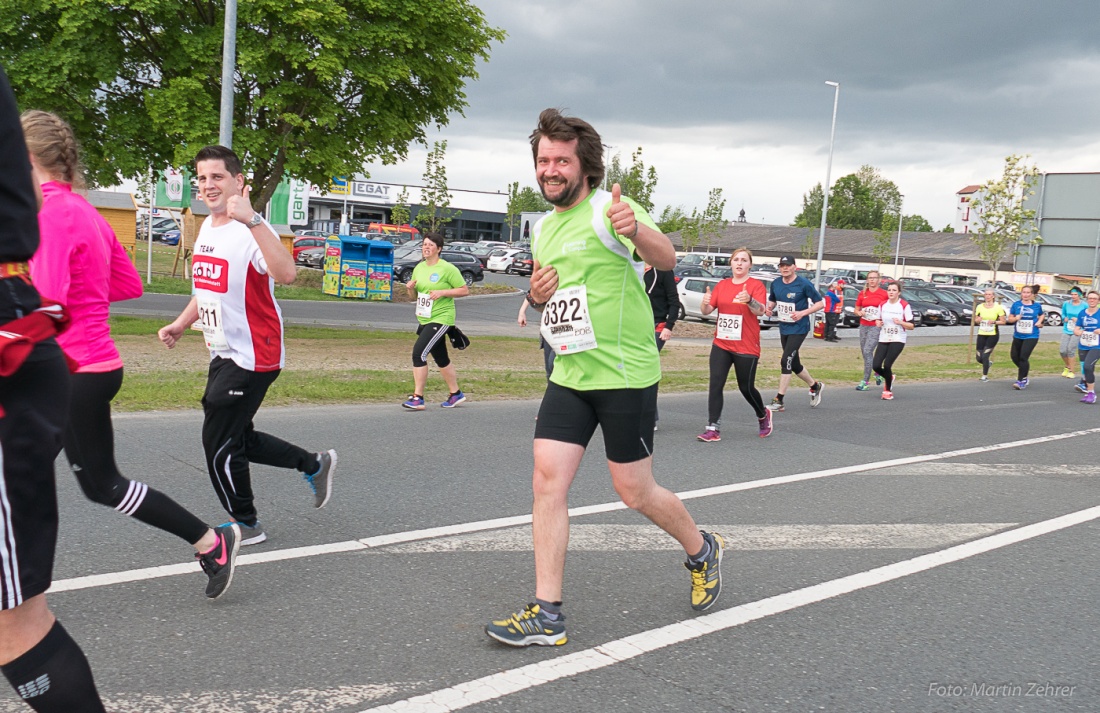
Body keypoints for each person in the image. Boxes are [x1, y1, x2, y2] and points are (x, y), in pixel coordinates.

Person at [485, 109, 723, 648]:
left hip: (624, 373)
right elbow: (553, 295)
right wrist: (536, 296)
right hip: (569, 372)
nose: (550, 170)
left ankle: (702, 549)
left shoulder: (607, 209)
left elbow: (664, 257)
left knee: (634, 491)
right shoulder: (544, 228)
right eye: (544, 160)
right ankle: (548, 613)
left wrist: (635, 228)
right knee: (547, 482)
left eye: (561, 161)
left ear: (583, 166)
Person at [23, 111, 240, 598]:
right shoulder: (86, 213)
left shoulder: (50, 214)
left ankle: (20, 600)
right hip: (93, 367)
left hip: (67, 371)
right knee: (100, 485)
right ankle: (212, 541)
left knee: (16, 482)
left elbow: (45, 303)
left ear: (27, 157)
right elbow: (126, 283)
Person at [158, 145, 337, 546]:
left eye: (217, 177)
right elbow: (207, 289)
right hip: (222, 351)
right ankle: (313, 463)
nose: (208, 185)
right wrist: (181, 323)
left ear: (239, 182)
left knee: (217, 440)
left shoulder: (252, 230)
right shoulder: (208, 227)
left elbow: (287, 274)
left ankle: (247, 522)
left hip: (256, 353)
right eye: (202, 178)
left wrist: (254, 220)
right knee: (236, 436)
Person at [0, 65, 108, 712]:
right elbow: (116, 281)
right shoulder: (80, 213)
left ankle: (215, 540)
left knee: (12, 618)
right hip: (67, 353)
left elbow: (68, 294)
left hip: (53, 355)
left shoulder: (65, 214)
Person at [697, 247, 772, 441]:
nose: (739, 263)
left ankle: (762, 414)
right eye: (736, 259)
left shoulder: (756, 286)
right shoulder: (722, 285)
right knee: (715, 384)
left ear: (750, 265)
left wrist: (749, 300)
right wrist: (704, 302)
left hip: (746, 345)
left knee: (745, 387)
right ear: (731, 263)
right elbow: (707, 311)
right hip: (722, 343)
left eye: (744, 260)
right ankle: (713, 428)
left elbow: (760, 311)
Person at [401, 232, 470, 409]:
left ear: (438, 249)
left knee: (419, 353)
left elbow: (464, 290)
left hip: (442, 318)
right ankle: (456, 394)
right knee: (441, 358)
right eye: (424, 244)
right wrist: (410, 289)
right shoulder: (419, 268)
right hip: (425, 318)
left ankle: (418, 398)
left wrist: (442, 292)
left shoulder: (447, 269)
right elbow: (415, 296)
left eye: (431, 245)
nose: (426, 247)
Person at [764, 255, 825, 411]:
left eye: (787, 265)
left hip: (799, 327)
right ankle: (815, 386)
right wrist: (769, 308)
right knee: (794, 364)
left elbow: (820, 304)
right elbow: (773, 299)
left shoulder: (803, 284)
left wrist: (803, 313)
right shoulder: (776, 283)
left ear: (794, 267)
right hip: (784, 326)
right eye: (782, 265)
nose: (784, 268)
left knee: (785, 361)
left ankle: (779, 400)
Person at [872, 283, 914, 400]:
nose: (891, 292)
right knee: (875, 365)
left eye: (894, 290)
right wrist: (878, 323)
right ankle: (889, 377)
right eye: (889, 290)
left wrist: (901, 322)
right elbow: (878, 319)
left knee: (887, 365)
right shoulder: (883, 305)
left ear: (898, 293)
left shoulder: (904, 305)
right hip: (884, 337)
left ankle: (887, 391)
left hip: (898, 338)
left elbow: (911, 326)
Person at [1006, 284, 1045, 390]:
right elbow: (1010, 319)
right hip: (1018, 335)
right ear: (1021, 294)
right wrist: (1016, 318)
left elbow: (1041, 315)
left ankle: (1021, 380)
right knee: (1014, 356)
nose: (1026, 294)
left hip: (1032, 335)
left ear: (1032, 295)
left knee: (1023, 357)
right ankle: (1024, 372)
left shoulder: (1036, 306)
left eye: (1028, 293)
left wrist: (1040, 322)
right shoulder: (1016, 305)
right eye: (1024, 292)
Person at [854, 271, 888, 390]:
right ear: (867, 280)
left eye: (874, 278)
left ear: (879, 280)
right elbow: (856, 308)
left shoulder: (884, 294)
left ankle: (865, 382)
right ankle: (877, 371)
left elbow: (889, 309)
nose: (872, 280)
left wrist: (882, 319)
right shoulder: (863, 293)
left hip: (876, 326)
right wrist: (859, 312)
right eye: (870, 278)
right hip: (864, 324)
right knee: (864, 352)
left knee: (868, 350)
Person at [973, 288, 1007, 382]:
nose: (987, 296)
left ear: (993, 296)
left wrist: (994, 322)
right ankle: (988, 363)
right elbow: (976, 320)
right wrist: (978, 320)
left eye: (989, 294)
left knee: (985, 356)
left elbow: (1003, 321)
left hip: (993, 334)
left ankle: (984, 376)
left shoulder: (998, 307)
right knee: (979, 358)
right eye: (986, 294)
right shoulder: (980, 306)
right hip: (982, 333)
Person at [1072, 290, 1100, 404]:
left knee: (1088, 366)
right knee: (1086, 369)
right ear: (1087, 300)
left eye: (1094, 298)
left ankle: (1092, 393)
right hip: (1083, 345)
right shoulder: (1082, 313)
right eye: (1090, 298)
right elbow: (1077, 328)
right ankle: (1088, 391)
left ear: (1098, 301)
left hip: (1097, 346)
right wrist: (1077, 332)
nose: (1092, 300)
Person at [518, 294, 555, 379]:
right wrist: (522, 311)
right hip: (548, 327)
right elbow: (533, 291)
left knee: (552, 363)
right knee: (549, 371)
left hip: (565, 330)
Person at [1059, 287, 1085, 379]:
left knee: (1070, 349)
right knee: (1062, 351)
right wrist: (1064, 318)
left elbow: (1086, 317)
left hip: (1077, 330)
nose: (1073, 296)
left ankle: (1072, 371)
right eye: (1072, 294)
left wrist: (1078, 320)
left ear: (1079, 295)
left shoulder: (1084, 305)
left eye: (1075, 295)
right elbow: (1063, 314)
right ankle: (1068, 365)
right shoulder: (1066, 304)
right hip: (1067, 329)